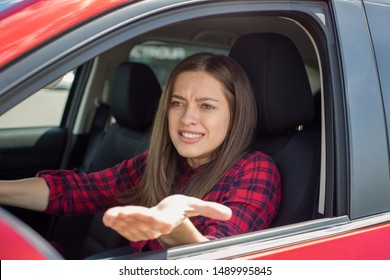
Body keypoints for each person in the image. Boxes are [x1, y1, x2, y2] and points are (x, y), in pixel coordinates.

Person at [0, 53, 281, 253]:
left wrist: (174, 228)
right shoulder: (160, 162)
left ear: (236, 115)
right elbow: (76, 190)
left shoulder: (255, 170)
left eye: (206, 106)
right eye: (177, 103)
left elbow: (219, 261)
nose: (187, 119)